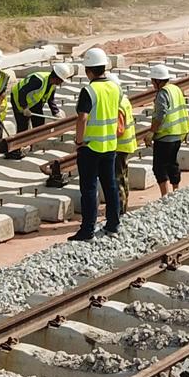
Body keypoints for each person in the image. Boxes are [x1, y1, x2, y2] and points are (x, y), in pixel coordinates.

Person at [69, 47, 120, 241]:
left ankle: (87, 230)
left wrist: (79, 141)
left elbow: (82, 118)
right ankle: (113, 225)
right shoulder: (115, 87)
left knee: (89, 188)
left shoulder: (89, 90)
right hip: (110, 145)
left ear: (88, 69)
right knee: (110, 186)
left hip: (90, 147)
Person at [147, 64, 189, 197]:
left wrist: (151, 132)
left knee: (159, 167)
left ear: (157, 80)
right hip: (177, 134)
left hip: (165, 136)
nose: (152, 84)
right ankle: (176, 193)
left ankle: (165, 196)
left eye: (152, 81)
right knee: (172, 164)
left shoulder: (162, 93)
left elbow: (161, 114)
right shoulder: (175, 89)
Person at [110, 73, 137, 214]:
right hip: (125, 146)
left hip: (118, 147)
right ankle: (123, 207)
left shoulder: (118, 104)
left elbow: (119, 130)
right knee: (123, 177)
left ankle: (120, 210)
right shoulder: (124, 99)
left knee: (117, 179)